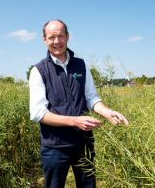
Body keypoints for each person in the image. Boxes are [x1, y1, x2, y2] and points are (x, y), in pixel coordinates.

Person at [29, 19, 129, 188]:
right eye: (51, 37)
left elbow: (91, 98)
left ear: (67, 37)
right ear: (44, 40)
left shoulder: (81, 65)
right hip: (54, 147)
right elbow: (38, 113)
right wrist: (75, 121)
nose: (56, 41)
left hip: (83, 142)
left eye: (60, 36)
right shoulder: (39, 70)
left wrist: (106, 112)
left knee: (88, 185)